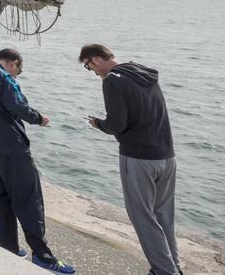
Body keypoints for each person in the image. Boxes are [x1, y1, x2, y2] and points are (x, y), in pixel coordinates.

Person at [0, 49, 75, 273]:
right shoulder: (5, 78)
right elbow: (18, 106)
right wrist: (40, 118)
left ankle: (7, 248)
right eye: (19, 70)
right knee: (29, 200)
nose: (18, 74)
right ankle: (43, 257)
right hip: (11, 148)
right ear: (14, 63)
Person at [80, 43, 179, 275]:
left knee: (142, 216)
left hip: (138, 157)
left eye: (88, 67)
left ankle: (164, 271)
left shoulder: (113, 80)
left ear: (95, 59)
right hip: (166, 155)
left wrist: (98, 124)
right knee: (164, 215)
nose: (93, 73)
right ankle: (174, 266)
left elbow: (117, 124)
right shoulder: (143, 72)